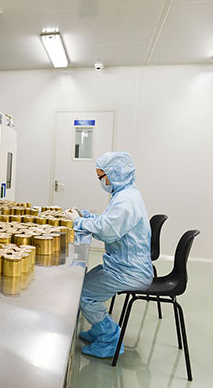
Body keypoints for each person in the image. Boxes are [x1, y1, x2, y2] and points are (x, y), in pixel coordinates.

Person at [63, 151, 153, 358]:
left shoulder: (126, 200)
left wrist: (78, 221)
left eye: (101, 177)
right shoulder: (125, 194)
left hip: (128, 271)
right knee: (83, 283)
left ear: (115, 174)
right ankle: (98, 329)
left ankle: (110, 338)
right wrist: (86, 216)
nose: (101, 182)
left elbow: (108, 230)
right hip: (121, 264)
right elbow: (109, 221)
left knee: (82, 293)